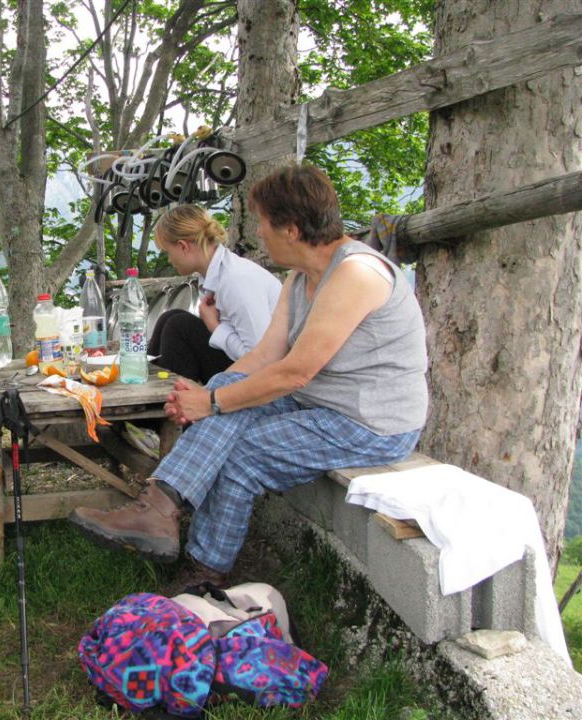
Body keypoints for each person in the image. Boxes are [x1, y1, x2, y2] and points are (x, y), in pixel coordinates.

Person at [70, 164, 428, 585]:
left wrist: (212, 403)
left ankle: (205, 571)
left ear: (291, 229)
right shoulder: (301, 277)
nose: (258, 233)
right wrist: (206, 396)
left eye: (263, 223)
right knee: (227, 384)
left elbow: (295, 371)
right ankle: (159, 507)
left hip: (371, 423)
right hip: (321, 403)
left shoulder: (356, 273)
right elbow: (264, 356)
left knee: (245, 452)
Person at [149, 204, 282, 384]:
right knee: (170, 317)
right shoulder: (217, 274)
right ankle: (149, 387)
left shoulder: (236, 279)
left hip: (266, 377)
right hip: (243, 364)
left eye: (168, 253)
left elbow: (260, 356)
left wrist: (215, 327)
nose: (170, 260)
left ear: (183, 246)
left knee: (178, 326)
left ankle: (178, 402)